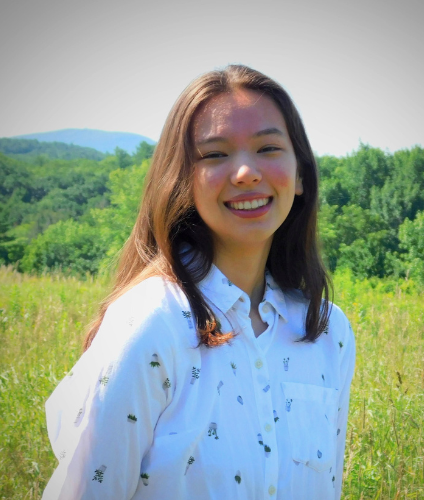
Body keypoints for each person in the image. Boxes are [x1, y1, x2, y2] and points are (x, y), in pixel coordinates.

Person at [42, 64, 355, 500]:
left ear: (300, 174)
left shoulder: (327, 332)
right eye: (215, 155)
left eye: (268, 147)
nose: (245, 172)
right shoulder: (151, 324)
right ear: (182, 181)